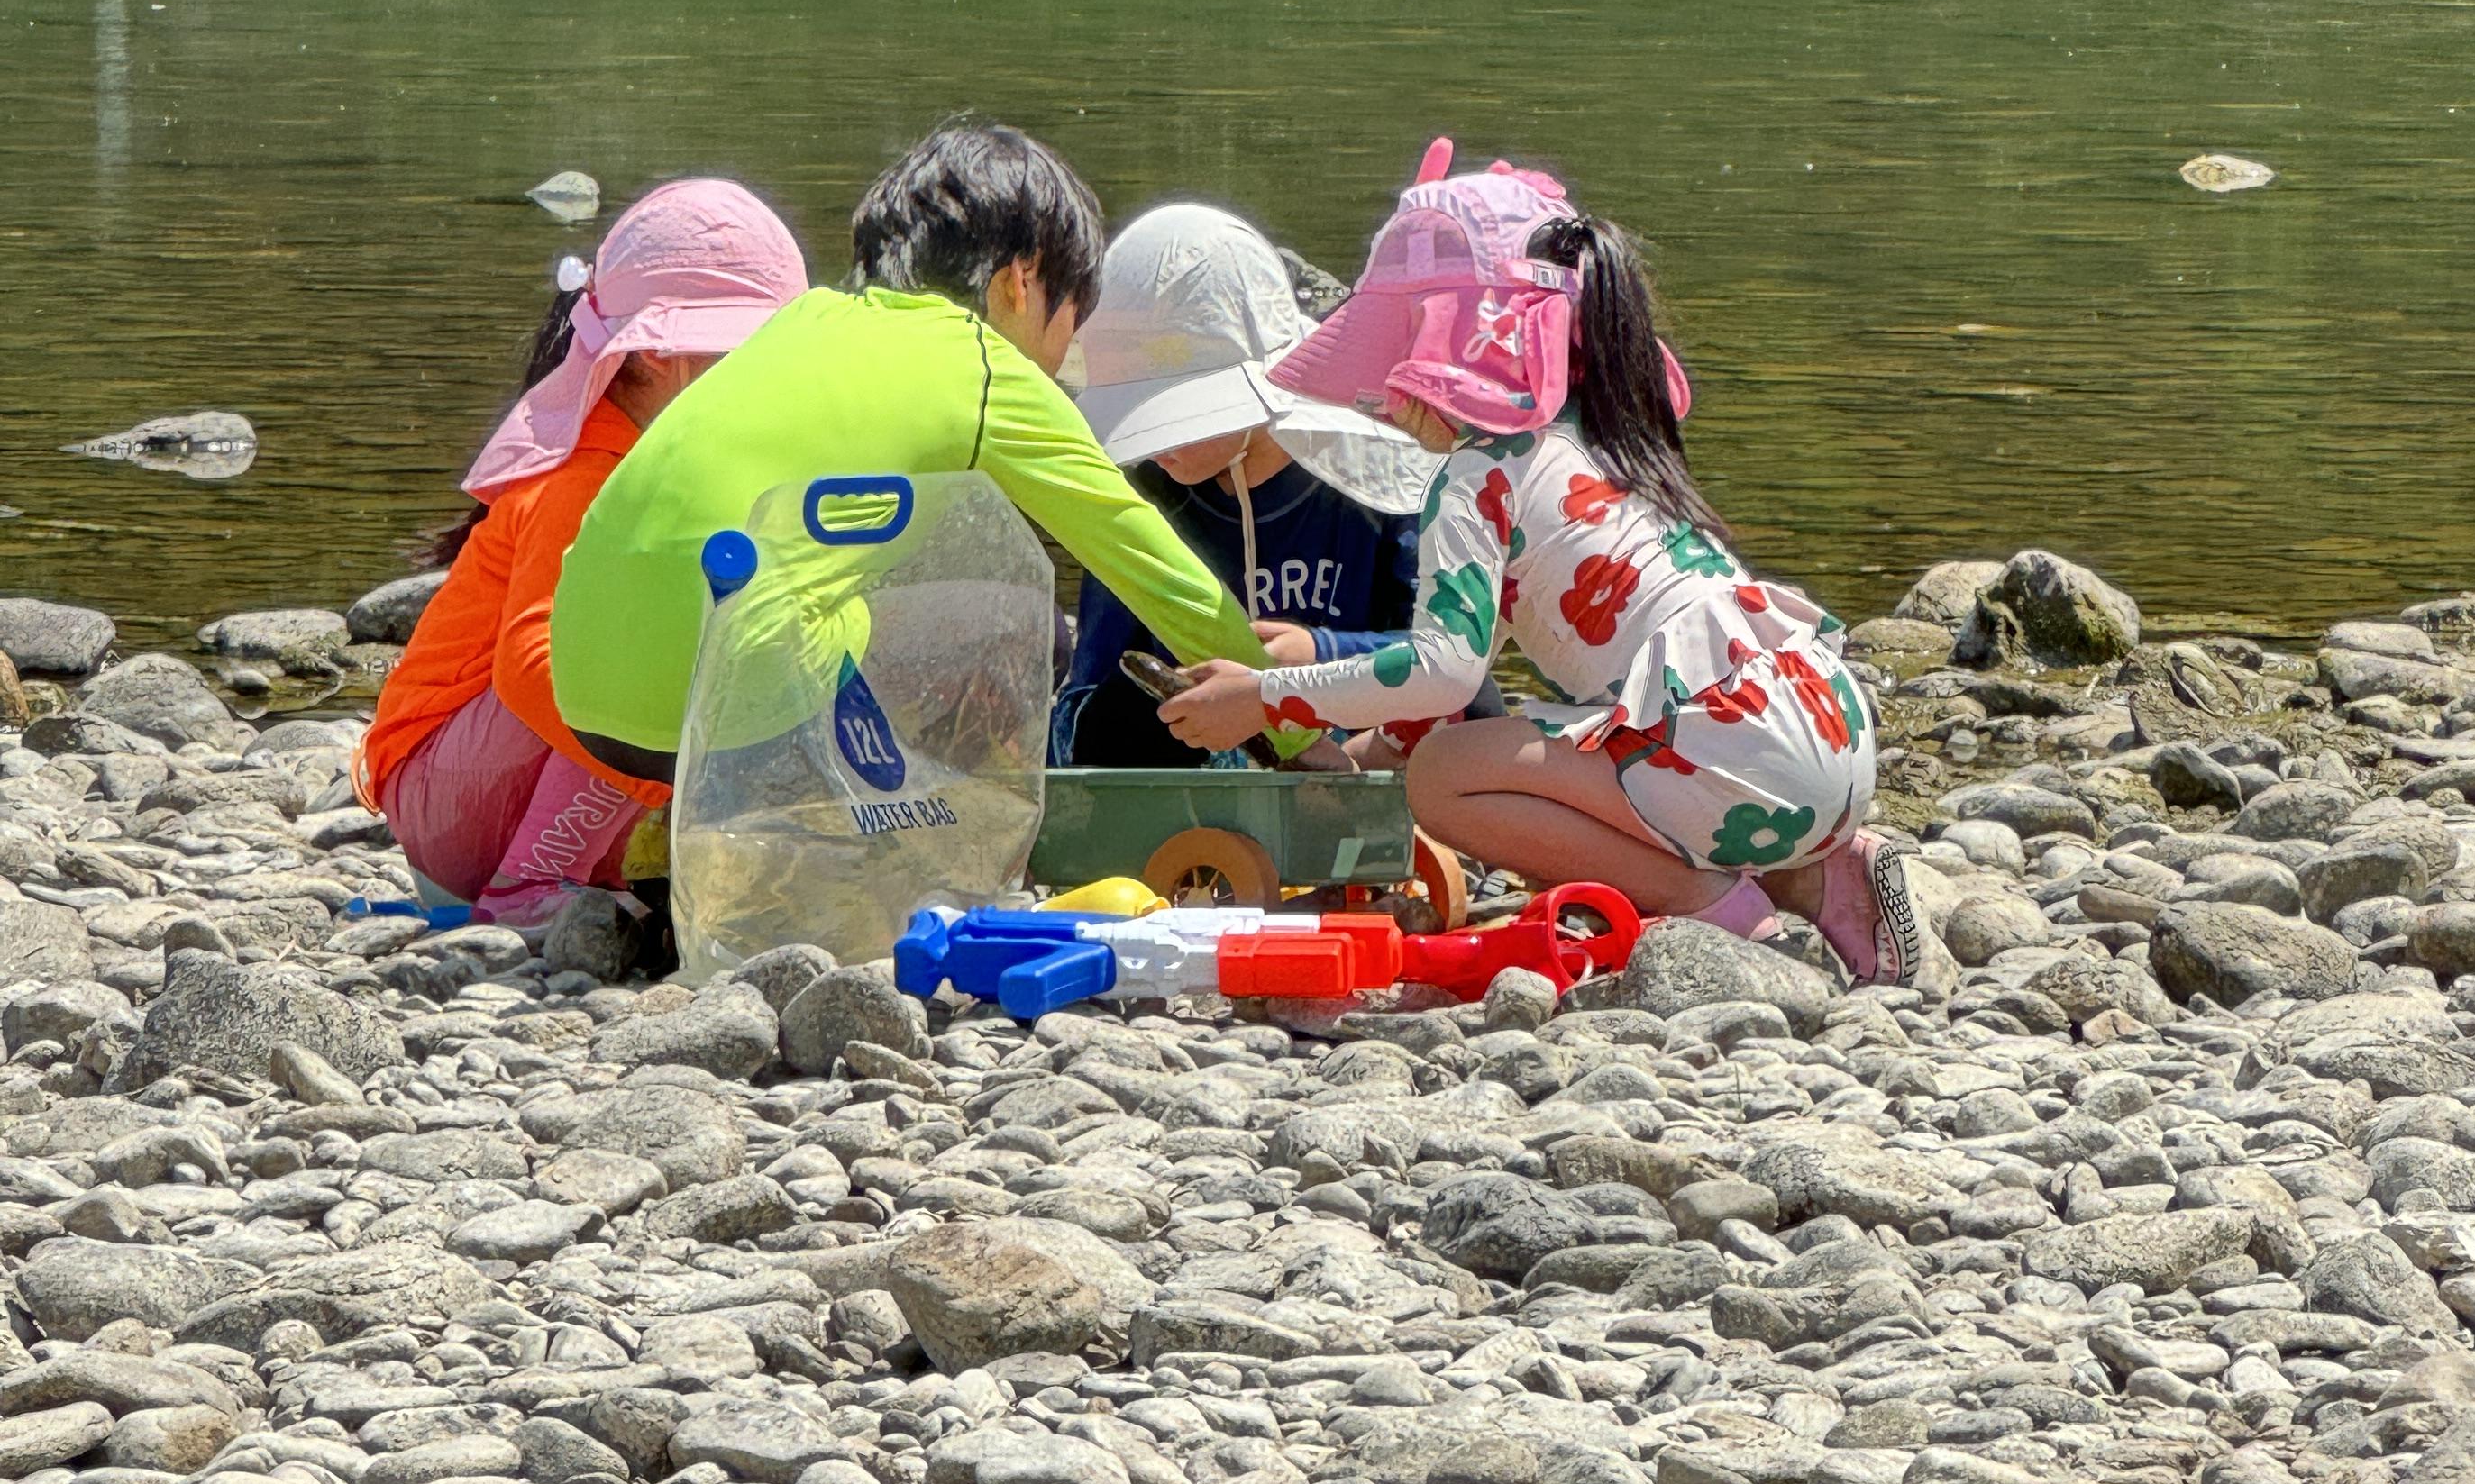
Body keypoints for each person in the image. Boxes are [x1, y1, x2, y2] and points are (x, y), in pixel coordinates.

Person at [1160, 140, 1917, 981]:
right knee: (1496, 744)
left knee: (1446, 780)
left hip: (1729, 757)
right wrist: (1365, 748)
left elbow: (1445, 674)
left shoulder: (1479, 474)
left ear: (1447, 353)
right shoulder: (1604, 434)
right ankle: (1822, 876)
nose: (1381, 397)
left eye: (1391, 363)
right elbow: (1451, 676)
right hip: (1825, 728)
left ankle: (1717, 910)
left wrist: (1263, 696)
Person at [545, 122, 1271, 779]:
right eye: (1068, 324)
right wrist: (1290, 721)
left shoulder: (803, 321)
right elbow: (1143, 555)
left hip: (584, 688)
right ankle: (931, 857)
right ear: (1021, 282)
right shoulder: (982, 364)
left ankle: (720, 834)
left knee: (883, 553)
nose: (1059, 360)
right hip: (735, 700)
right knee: (1021, 620)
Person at [356, 178, 808, 929]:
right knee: (651, 664)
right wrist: (676, 769)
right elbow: (529, 664)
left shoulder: (683, 462)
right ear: (655, 355)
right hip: (448, 793)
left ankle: (583, 871)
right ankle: (527, 884)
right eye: (747, 356)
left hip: (537, 782)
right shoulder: (583, 475)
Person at [1055, 201, 1439, 763]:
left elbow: (1447, 656)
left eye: (1172, 416)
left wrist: (1317, 655)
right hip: (1200, 771)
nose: (1151, 443)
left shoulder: (1374, 480)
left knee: (1468, 704)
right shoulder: (1143, 497)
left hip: (1360, 751)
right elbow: (1090, 693)